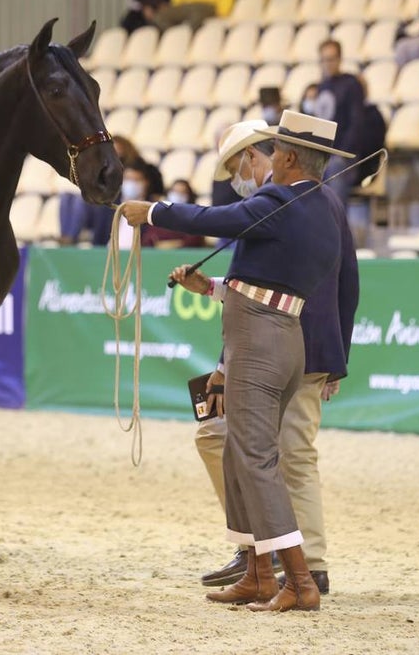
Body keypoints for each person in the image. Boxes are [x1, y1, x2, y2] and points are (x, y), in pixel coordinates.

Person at [120, 111, 353, 613]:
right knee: (235, 453)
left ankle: (298, 580)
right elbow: (271, 279)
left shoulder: (279, 202)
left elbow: (213, 219)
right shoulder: (320, 209)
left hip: (259, 343)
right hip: (280, 333)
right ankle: (256, 572)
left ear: (287, 157)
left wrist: (154, 212)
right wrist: (213, 287)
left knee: (255, 457)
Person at [194, 121, 359, 597]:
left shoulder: (281, 204)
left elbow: (343, 282)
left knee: (285, 455)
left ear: (259, 156)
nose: (233, 178)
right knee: (228, 441)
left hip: (285, 347)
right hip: (275, 345)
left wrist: (335, 358)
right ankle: (262, 550)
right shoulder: (314, 202)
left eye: (233, 166)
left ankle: (304, 564)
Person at [59, 136, 162, 246]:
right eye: (128, 179)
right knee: (67, 197)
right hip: (107, 204)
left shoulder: (144, 168)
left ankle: (70, 238)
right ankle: (68, 237)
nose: (115, 153)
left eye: (136, 180)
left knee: (82, 202)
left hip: (111, 201)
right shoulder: (104, 166)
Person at [313, 40, 367, 204]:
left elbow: (357, 122)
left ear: (340, 59)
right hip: (324, 156)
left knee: (335, 167)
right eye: (324, 60)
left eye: (331, 59)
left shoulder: (350, 84)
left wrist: (342, 153)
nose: (328, 64)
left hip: (344, 157)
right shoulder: (322, 86)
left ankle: (336, 226)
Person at [143, 180, 206, 248]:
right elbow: (148, 238)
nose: (178, 195)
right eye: (175, 191)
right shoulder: (159, 216)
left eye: (182, 193)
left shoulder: (195, 218)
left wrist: (176, 244)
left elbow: (195, 240)